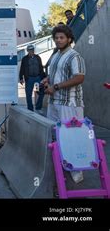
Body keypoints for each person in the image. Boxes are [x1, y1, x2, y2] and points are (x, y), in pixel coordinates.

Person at [42, 25, 86, 183]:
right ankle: (63, 165)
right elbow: (55, 74)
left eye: (62, 38)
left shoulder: (74, 56)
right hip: (54, 102)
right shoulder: (56, 55)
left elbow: (79, 78)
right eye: (56, 38)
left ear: (69, 39)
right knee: (56, 135)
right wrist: (48, 80)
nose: (58, 40)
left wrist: (56, 87)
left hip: (70, 103)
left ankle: (77, 170)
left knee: (72, 136)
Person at [19, 45, 45, 112]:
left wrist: (44, 77)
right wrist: (21, 78)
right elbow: (22, 69)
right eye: (30, 50)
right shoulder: (25, 59)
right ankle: (30, 109)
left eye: (32, 50)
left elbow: (41, 68)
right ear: (27, 51)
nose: (31, 51)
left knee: (40, 92)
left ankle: (38, 107)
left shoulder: (38, 57)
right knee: (28, 94)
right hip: (29, 79)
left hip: (37, 79)